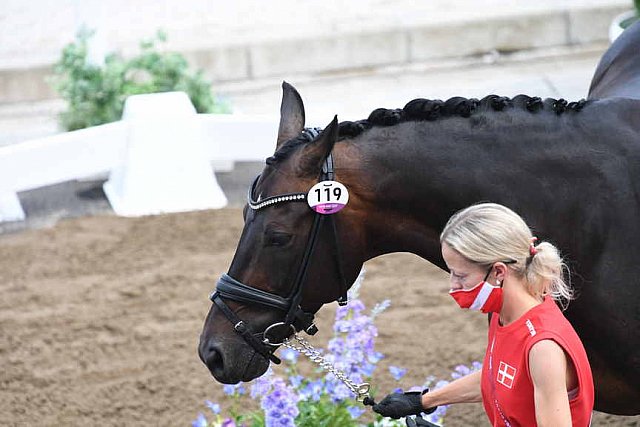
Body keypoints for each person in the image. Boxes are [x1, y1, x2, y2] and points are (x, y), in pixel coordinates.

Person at [372, 203, 594, 426]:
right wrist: (423, 401)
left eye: (460, 275)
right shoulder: (505, 315)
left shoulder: (542, 347)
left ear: (498, 271)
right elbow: (501, 377)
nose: (452, 286)